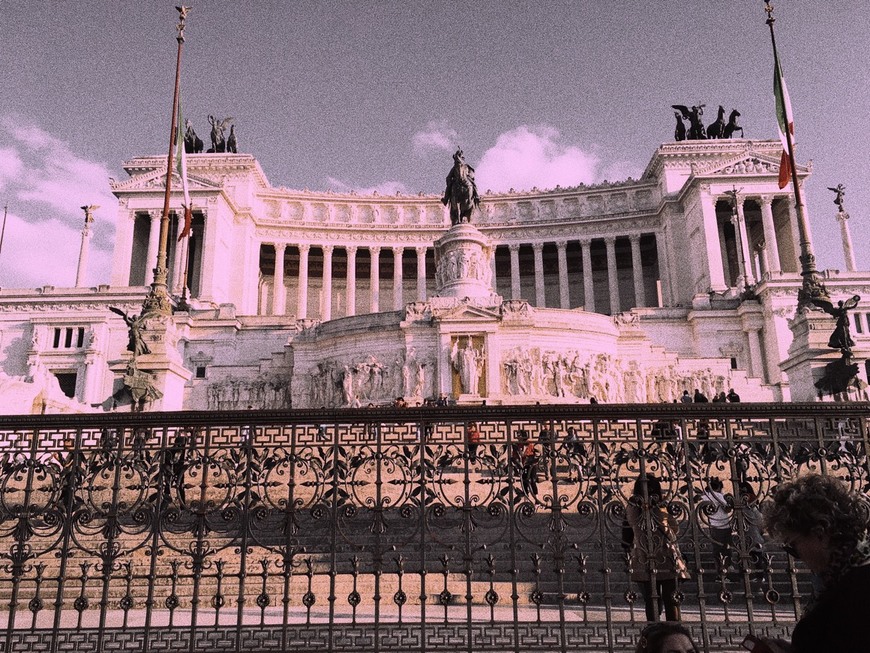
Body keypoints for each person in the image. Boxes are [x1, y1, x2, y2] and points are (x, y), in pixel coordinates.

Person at [741, 474, 870, 653]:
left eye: (794, 545)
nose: (797, 555)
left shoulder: (858, 586)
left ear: (820, 533)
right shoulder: (840, 574)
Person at [626, 475, 689, 622]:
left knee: (659, 598)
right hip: (663, 553)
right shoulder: (653, 506)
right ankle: (671, 632)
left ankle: (658, 631)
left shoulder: (632, 506)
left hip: (645, 555)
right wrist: (658, 507)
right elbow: (673, 528)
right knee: (662, 598)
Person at [702, 477, 732, 573]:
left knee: (717, 549)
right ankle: (725, 568)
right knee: (726, 548)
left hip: (713, 525)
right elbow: (727, 509)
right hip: (723, 524)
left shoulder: (705, 496)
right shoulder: (718, 496)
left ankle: (719, 568)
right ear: (719, 487)